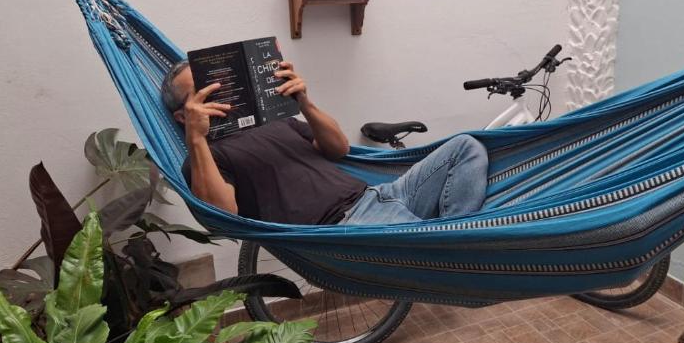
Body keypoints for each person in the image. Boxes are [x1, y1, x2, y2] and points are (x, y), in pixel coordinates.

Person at [161, 59, 488, 225]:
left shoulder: (274, 121)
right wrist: (196, 138)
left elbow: (338, 148)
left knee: (466, 146)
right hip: (349, 223)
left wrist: (303, 100)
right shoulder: (204, 156)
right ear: (181, 115)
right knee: (448, 239)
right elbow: (223, 213)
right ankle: (455, 242)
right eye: (201, 93)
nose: (215, 96)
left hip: (383, 195)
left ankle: (454, 234)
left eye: (215, 88)